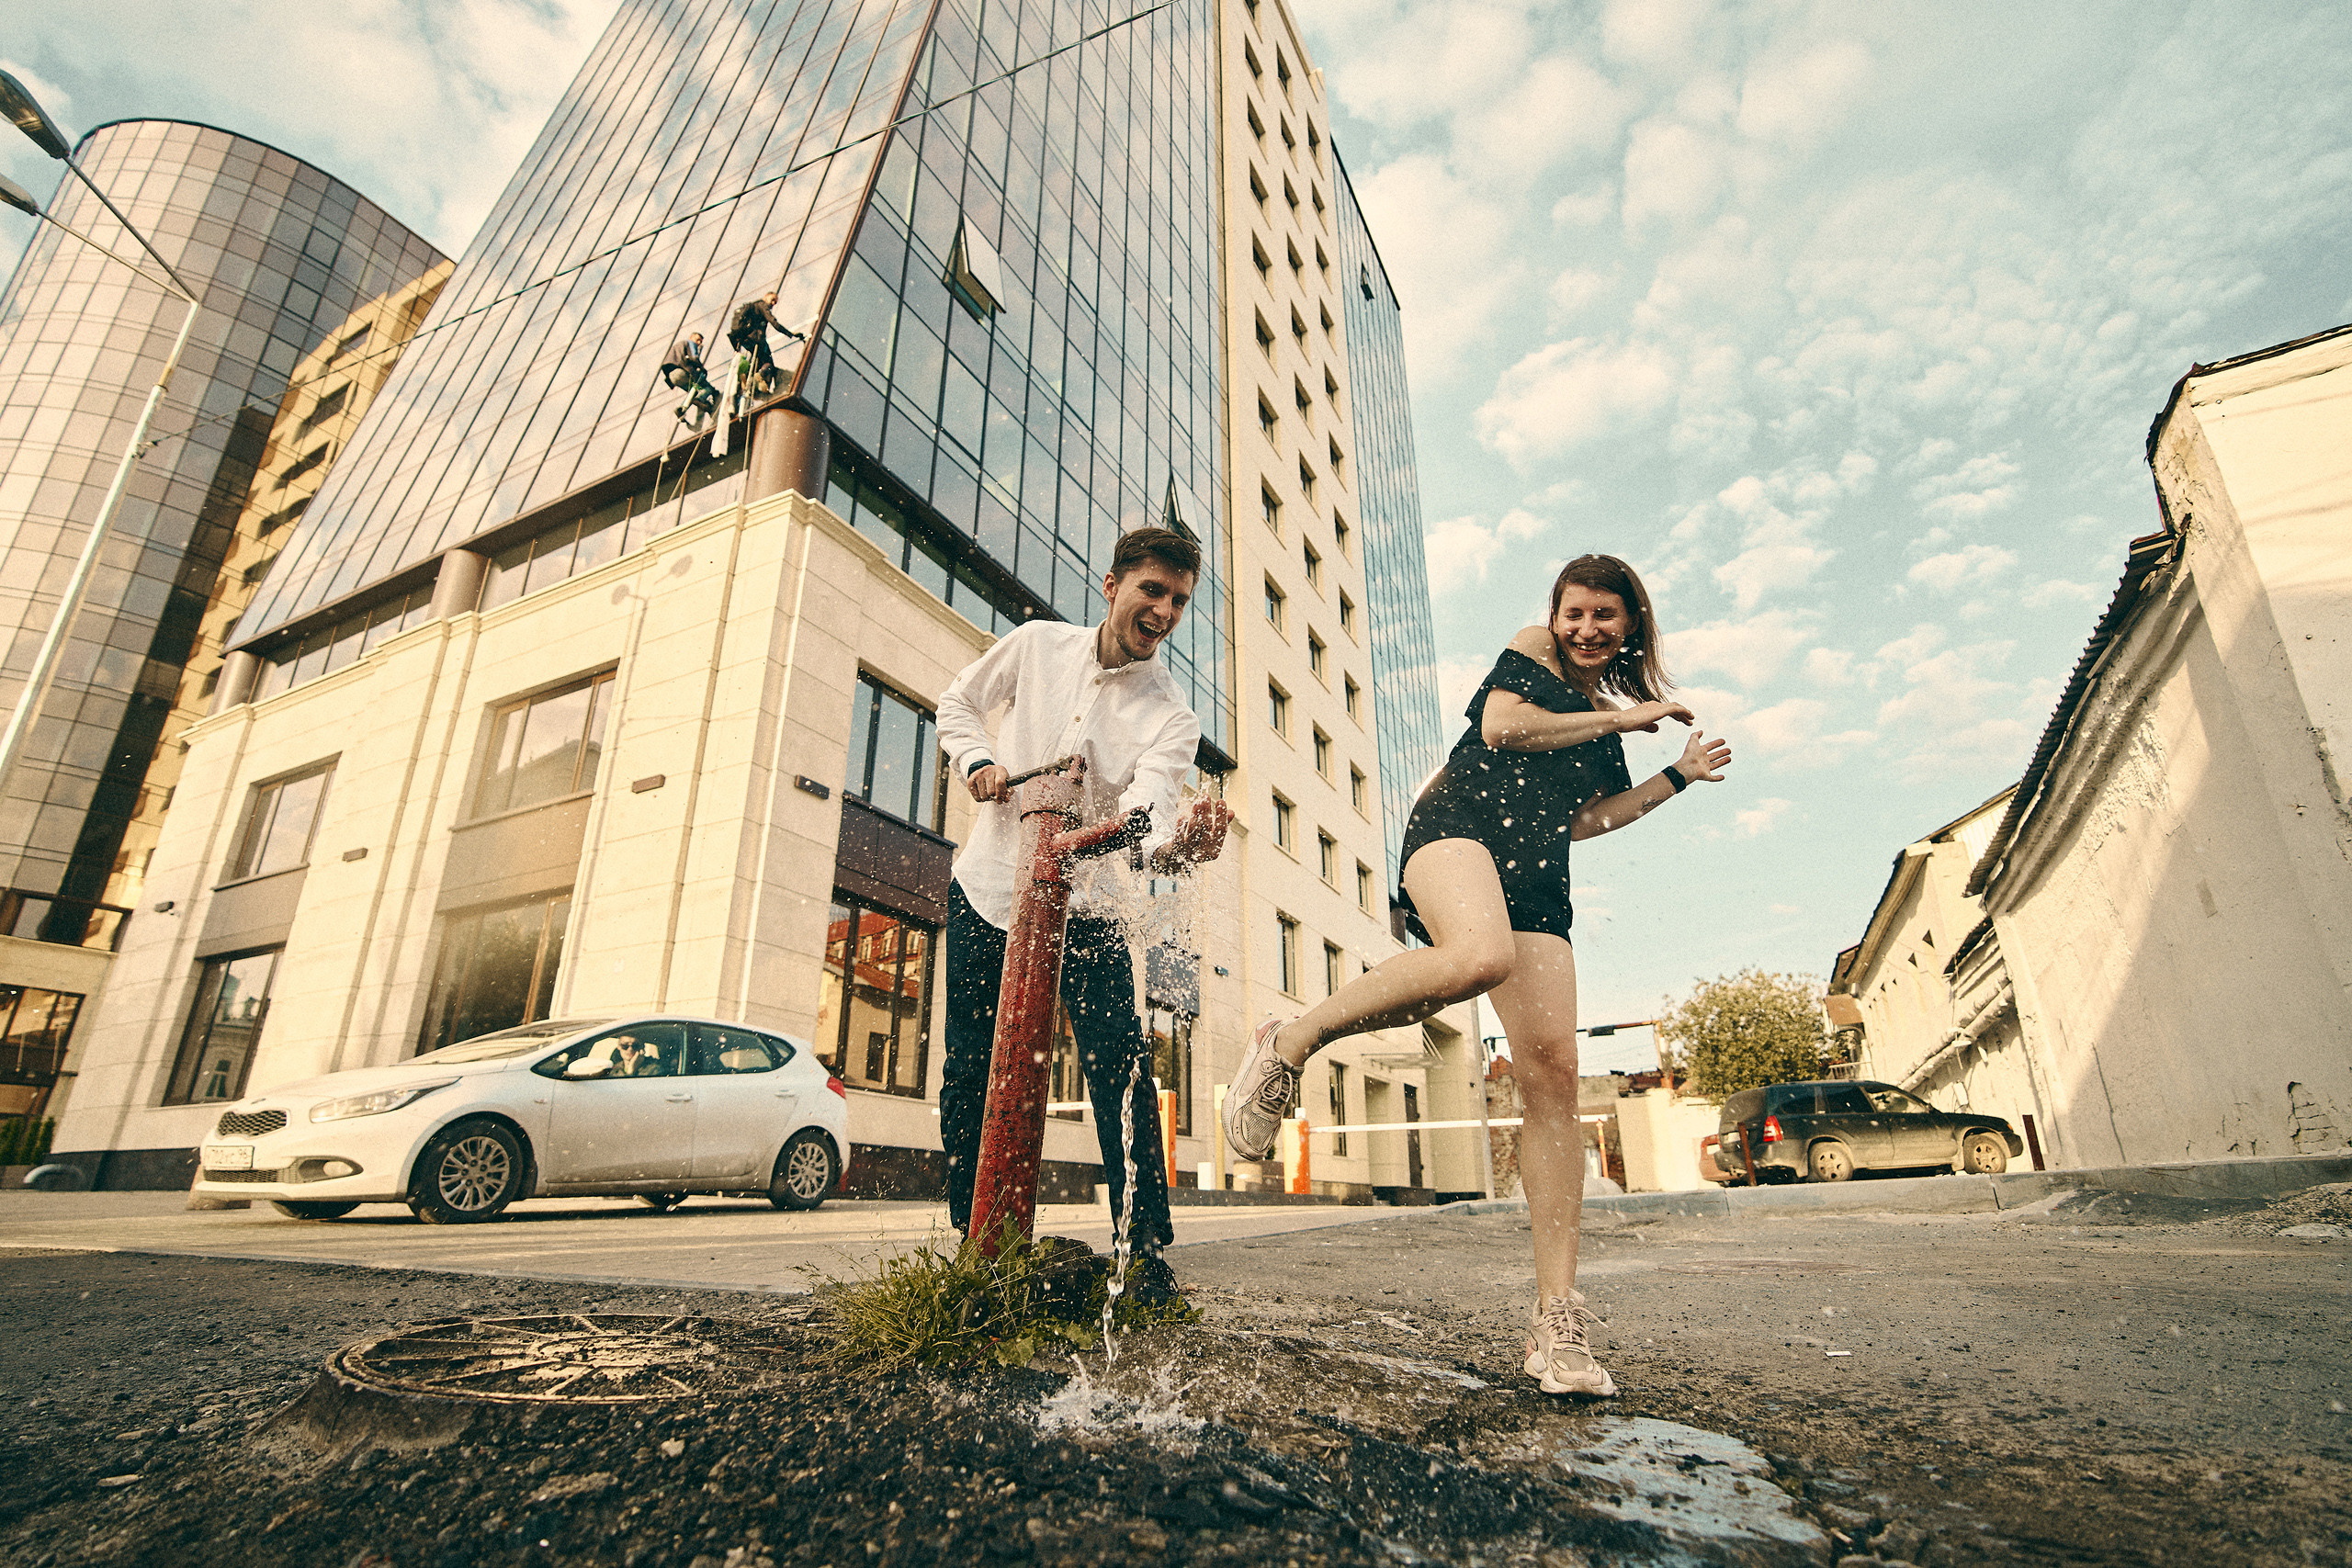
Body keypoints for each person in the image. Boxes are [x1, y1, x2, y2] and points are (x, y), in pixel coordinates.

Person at [1222, 553, 1730, 1396]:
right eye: (1576, 611)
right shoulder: (1533, 654)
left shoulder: (1610, 721)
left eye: (1605, 616)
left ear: (1630, 624)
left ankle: (1557, 1320)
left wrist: (1676, 776)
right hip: (1456, 830)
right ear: (1555, 614)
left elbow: (1591, 818)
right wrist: (1624, 720)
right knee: (1479, 954)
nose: (1585, 628)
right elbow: (1502, 728)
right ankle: (1292, 1039)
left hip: (1536, 877)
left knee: (1554, 1080)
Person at [935, 527, 1233, 1303]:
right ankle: (974, 1244)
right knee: (970, 1067)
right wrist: (978, 761)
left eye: (1179, 601)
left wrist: (1168, 841)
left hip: (1088, 911)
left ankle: (1144, 1254)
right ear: (1111, 585)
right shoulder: (1035, 646)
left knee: (1124, 1072)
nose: (1165, 611)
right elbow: (956, 702)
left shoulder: (1171, 716)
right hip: (988, 890)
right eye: (1153, 592)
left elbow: (1150, 806)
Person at [726, 291, 802, 396]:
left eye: (775, 302)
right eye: (773, 299)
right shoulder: (762, 305)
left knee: (757, 360)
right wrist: (790, 334)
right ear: (766, 297)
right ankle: (760, 376)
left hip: (745, 340)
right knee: (768, 363)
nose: (774, 303)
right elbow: (773, 322)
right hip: (756, 340)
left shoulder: (752, 306)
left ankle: (749, 380)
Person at [661, 331, 718, 425]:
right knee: (708, 388)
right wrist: (702, 368)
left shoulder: (678, 345)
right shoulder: (690, 343)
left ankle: (681, 409)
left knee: (694, 391)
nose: (698, 343)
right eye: (698, 339)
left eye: (700, 342)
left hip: (673, 377)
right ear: (691, 337)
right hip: (682, 372)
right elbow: (694, 357)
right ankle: (701, 400)